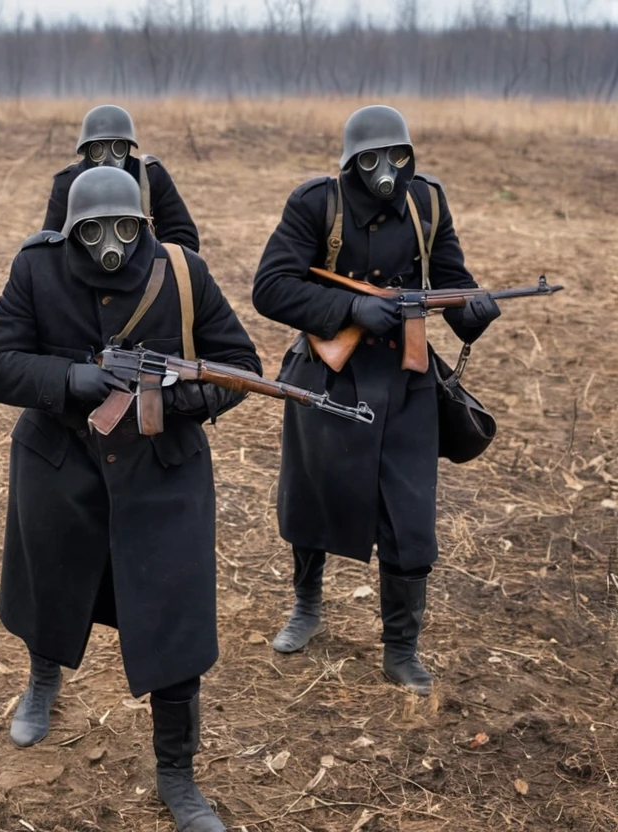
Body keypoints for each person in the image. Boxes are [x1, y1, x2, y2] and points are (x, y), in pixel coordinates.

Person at [0, 167, 260, 832]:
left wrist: (187, 397)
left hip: (163, 473)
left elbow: (240, 363)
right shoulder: (36, 270)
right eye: (94, 231)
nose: (111, 243)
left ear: (143, 226)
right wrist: (72, 378)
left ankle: (177, 775)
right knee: (52, 590)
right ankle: (42, 685)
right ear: (71, 229)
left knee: (174, 623)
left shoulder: (184, 274)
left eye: (125, 229)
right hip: (60, 465)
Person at [251, 105, 502, 695]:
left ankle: (401, 647)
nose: (385, 170)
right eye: (370, 160)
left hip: (405, 375)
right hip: (326, 375)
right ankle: (307, 608)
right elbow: (271, 286)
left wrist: (473, 315)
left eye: (397, 157)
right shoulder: (317, 204)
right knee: (313, 497)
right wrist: (348, 308)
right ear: (349, 164)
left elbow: (448, 282)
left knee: (409, 515)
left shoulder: (429, 204)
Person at [42, 104, 199, 252]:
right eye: (98, 149)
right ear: (87, 151)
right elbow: (50, 244)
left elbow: (184, 238)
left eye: (117, 148)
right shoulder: (69, 182)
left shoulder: (148, 177)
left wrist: (151, 262)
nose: (108, 158)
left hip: (141, 273)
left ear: (128, 148)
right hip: (83, 272)